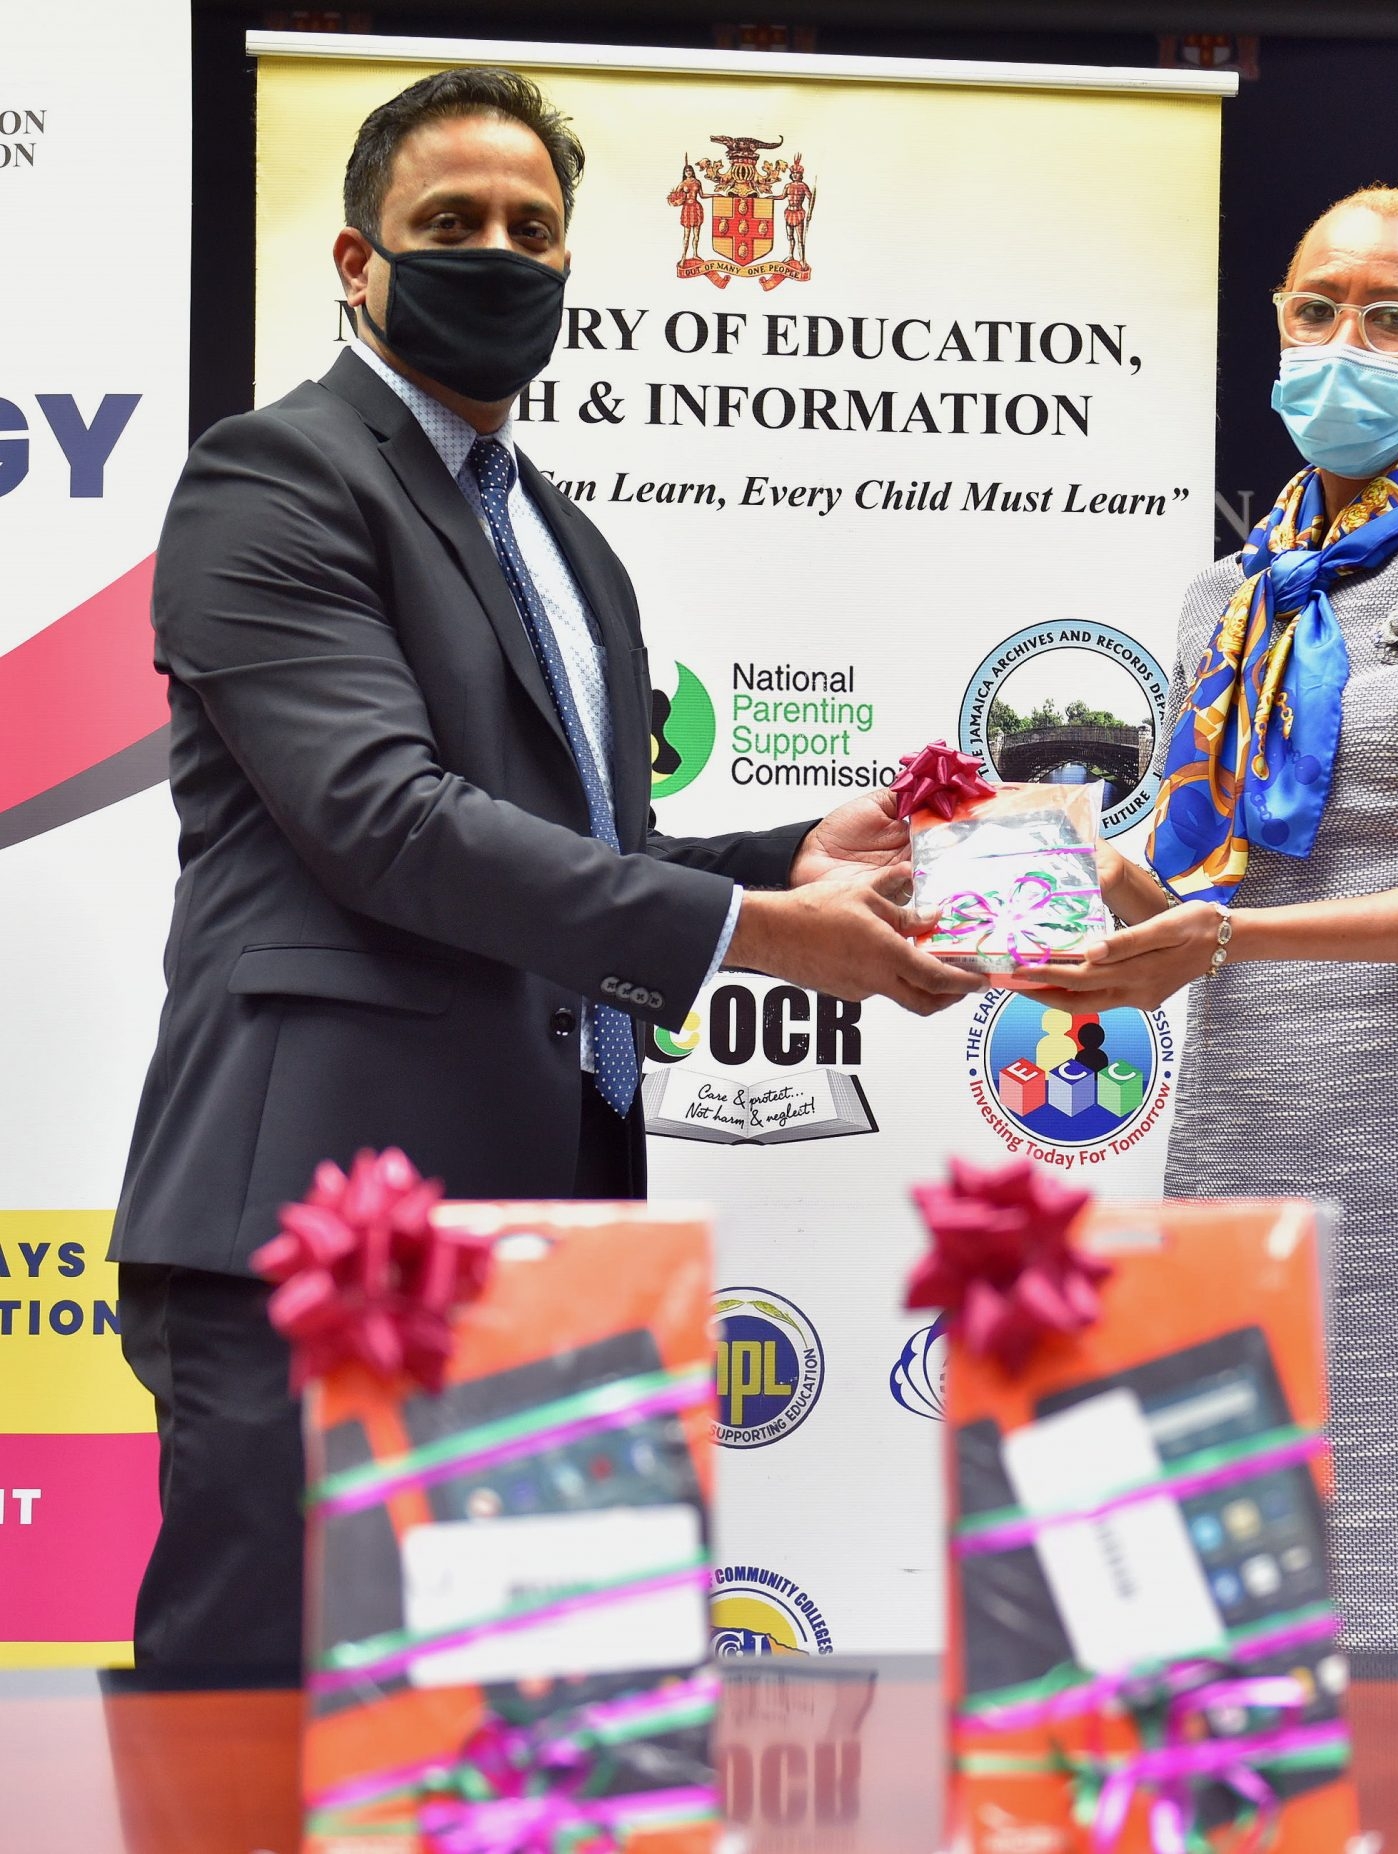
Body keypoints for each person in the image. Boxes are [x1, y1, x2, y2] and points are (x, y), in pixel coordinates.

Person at [110, 67, 978, 1680]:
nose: (498, 256)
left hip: (557, 1218)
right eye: (451, 223)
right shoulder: (273, 478)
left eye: (533, 229)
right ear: (357, 261)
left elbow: (582, 854)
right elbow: (387, 820)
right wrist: (753, 929)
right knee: (253, 1743)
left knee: (544, 1755)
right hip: (319, 1229)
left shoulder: (571, 545)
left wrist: (793, 853)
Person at [1024, 187, 1398, 1657]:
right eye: (1315, 310)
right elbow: (1198, 892)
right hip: (1250, 1122)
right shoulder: (1223, 596)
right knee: (1241, 1590)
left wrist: (1228, 939)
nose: (1340, 344)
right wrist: (1045, 877)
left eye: (1388, 318)